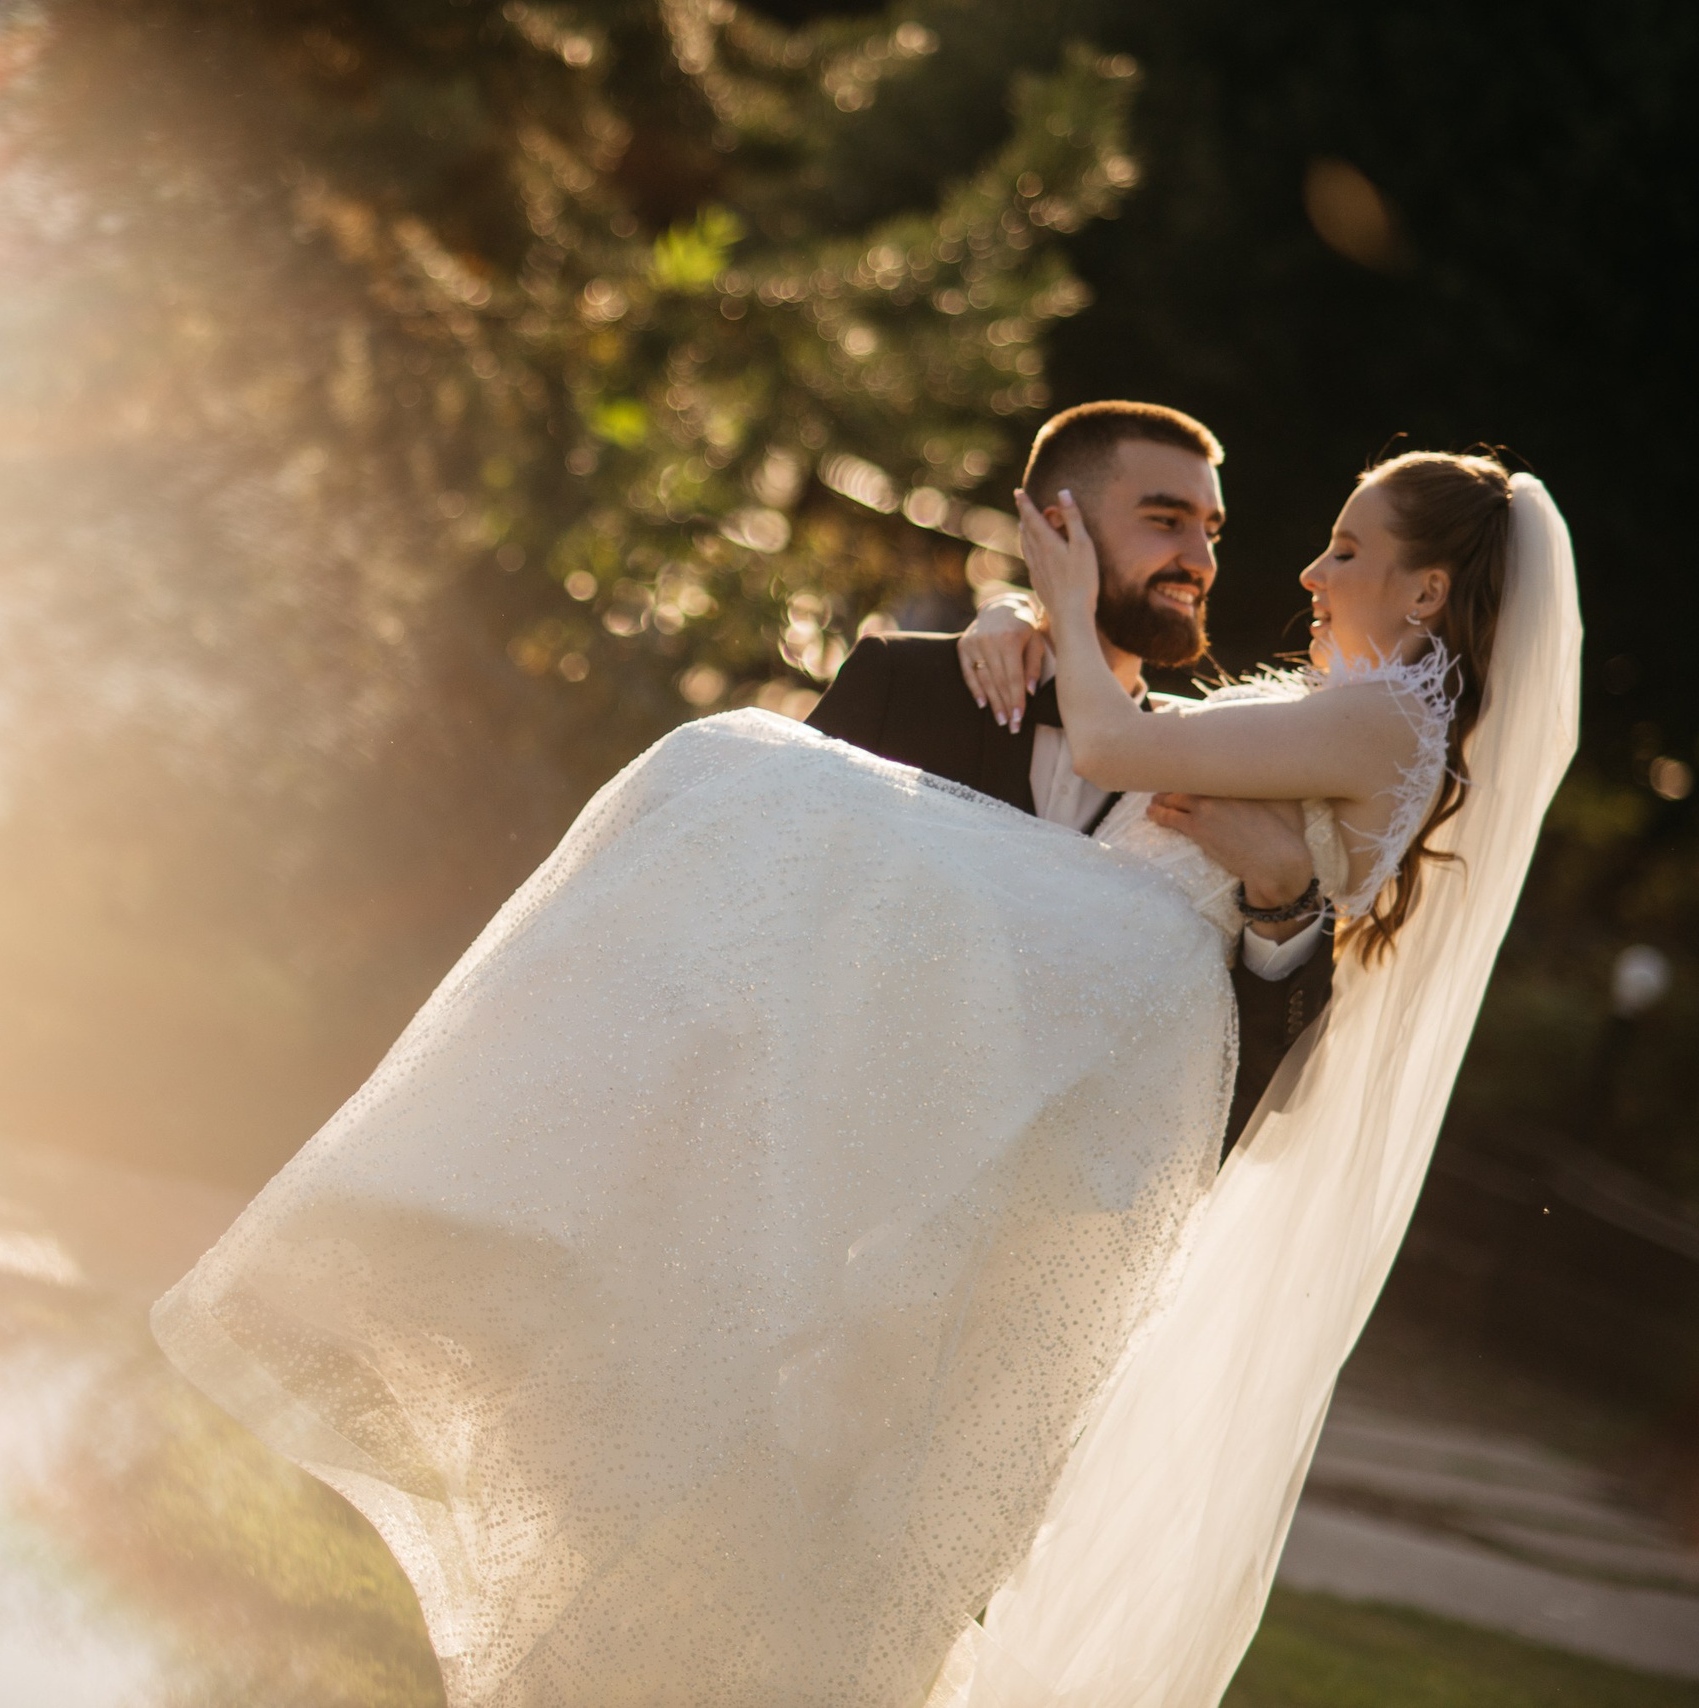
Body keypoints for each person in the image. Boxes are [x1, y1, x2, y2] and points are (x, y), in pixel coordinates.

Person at [151, 443, 1578, 1708]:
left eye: (1347, 546)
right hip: (1063, 987)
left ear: (1431, 593)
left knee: (740, 780)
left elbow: (1122, 748)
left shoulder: (1385, 723)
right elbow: (1151, 750)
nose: (1308, 568)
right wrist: (1034, 622)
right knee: (748, 813)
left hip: (1108, 1016)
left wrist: (1103, 663)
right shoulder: (1312, 710)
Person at [807, 403, 1332, 1152]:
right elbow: (770, 913)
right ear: (1057, 529)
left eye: (1209, 531)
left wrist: (1286, 906)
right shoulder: (905, 685)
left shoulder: (1226, 766)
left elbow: (1252, 1098)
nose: (1202, 561)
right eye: (1166, 519)